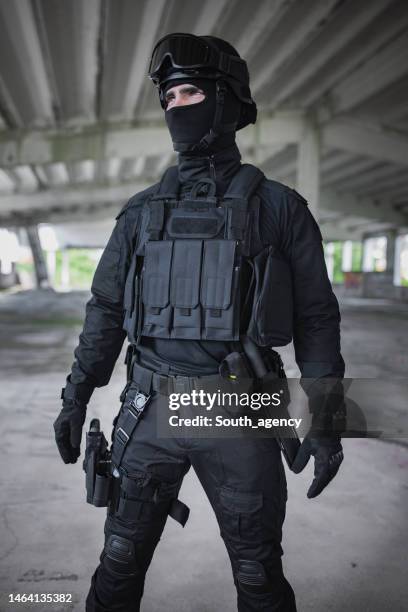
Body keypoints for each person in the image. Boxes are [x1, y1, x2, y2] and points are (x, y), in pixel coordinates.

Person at [54, 33, 345, 612]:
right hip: (149, 405)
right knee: (116, 567)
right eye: (168, 99)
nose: (176, 108)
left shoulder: (279, 207)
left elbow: (316, 318)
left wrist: (326, 418)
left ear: (227, 101)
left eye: (189, 93)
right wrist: (76, 395)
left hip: (238, 408)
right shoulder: (140, 213)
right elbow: (106, 312)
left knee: (258, 574)